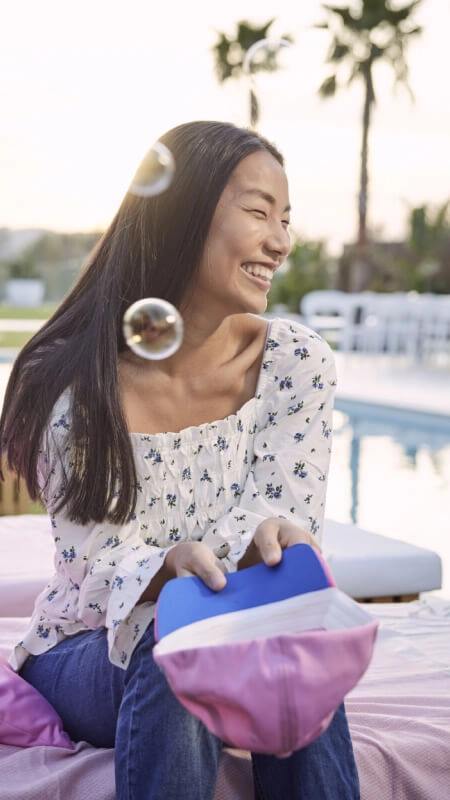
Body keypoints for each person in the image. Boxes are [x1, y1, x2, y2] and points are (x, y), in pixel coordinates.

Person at [0, 120, 359, 799]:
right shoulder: (73, 378)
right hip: (88, 647)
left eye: (286, 219)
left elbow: (286, 512)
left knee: (296, 651)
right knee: (172, 646)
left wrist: (273, 545)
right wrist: (168, 571)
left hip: (235, 634)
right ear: (185, 213)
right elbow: (94, 565)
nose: (280, 241)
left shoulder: (296, 364)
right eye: (259, 212)